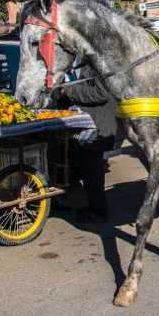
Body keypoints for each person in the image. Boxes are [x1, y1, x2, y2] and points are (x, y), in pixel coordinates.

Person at [53, 64, 118, 222]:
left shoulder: (99, 65)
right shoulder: (90, 64)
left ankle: (98, 211)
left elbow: (100, 94)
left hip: (98, 127)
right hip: (92, 124)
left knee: (92, 171)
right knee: (88, 170)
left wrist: (69, 91)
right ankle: (94, 206)